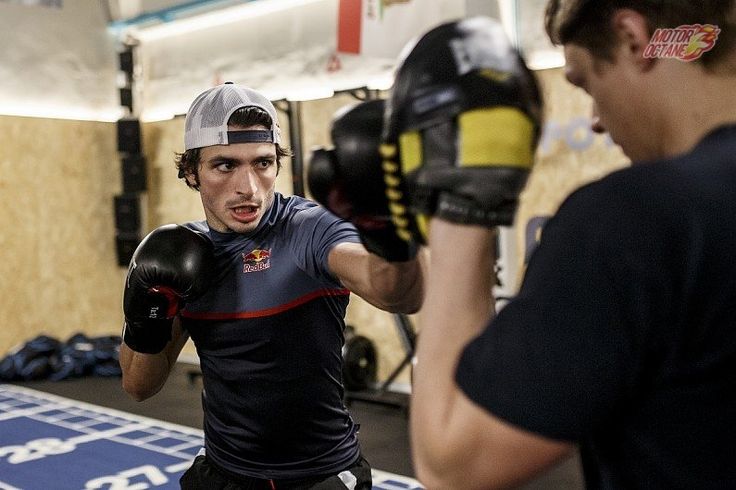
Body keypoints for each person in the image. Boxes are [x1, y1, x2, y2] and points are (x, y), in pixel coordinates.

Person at [383, 4, 736, 490]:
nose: (594, 120)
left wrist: (466, 207)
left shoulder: (634, 219)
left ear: (634, 39)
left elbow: (452, 464)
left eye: (587, 83)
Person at [118, 82, 425, 489]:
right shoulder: (183, 255)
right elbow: (139, 386)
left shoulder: (308, 228)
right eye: (225, 165)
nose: (248, 188)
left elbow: (397, 293)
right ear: (191, 172)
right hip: (225, 473)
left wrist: (390, 229)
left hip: (320, 475)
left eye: (263, 163)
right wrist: (150, 311)